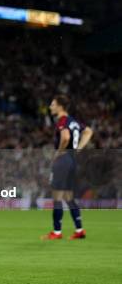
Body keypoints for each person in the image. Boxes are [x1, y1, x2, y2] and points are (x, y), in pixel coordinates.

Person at [42, 95, 93, 240]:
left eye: (53, 104)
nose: (50, 107)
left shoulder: (62, 120)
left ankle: (57, 232)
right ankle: (79, 230)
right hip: (72, 160)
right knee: (68, 196)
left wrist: (58, 153)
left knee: (57, 196)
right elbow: (88, 131)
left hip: (63, 160)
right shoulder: (74, 122)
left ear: (60, 106)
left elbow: (65, 138)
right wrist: (78, 148)